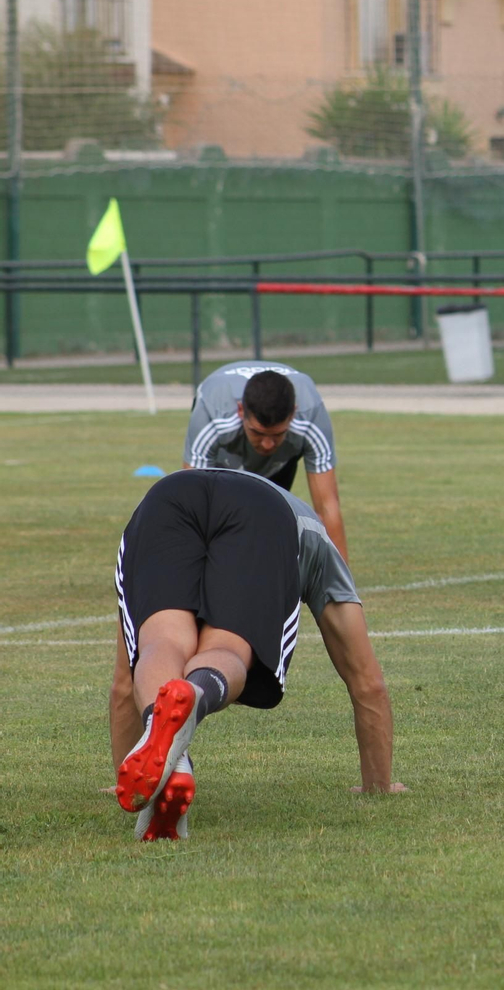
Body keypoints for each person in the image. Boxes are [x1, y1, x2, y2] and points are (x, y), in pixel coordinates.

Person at [109, 468, 400, 841]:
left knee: (161, 641)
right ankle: (196, 697)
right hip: (261, 511)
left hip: (166, 498)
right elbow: (367, 682)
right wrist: (378, 786)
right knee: (227, 647)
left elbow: (123, 686)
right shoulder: (317, 541)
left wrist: (125, 780)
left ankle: (163, 759)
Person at [184, 360, 347, 560]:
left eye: (277, 434)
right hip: (223, 457)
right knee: (218, 521)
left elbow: (327, 506)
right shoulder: (212, 415)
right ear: (241, 410)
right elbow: (193, 505)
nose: (268, 445)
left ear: (293, 414)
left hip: (281, 461)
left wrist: (343, 580)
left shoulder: (310, 415)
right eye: (258, 432)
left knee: (272, 522)